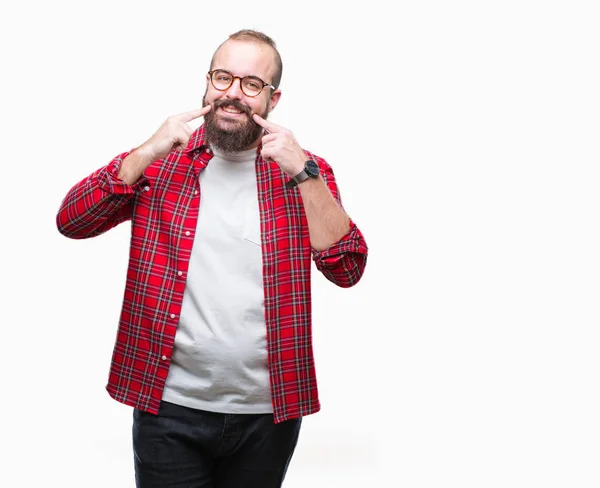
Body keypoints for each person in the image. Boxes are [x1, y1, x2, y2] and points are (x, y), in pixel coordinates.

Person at [56, 29, 368, 488]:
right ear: (207, 82)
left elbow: (347, 270)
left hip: (268, 414)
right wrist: (145, 149)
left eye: (251, 84)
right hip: (169, 408)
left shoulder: (304, 170)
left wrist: (303, 173)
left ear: (272, 99)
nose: (232, 94)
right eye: (223, 78)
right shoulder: (162, 163)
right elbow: (72, 222)